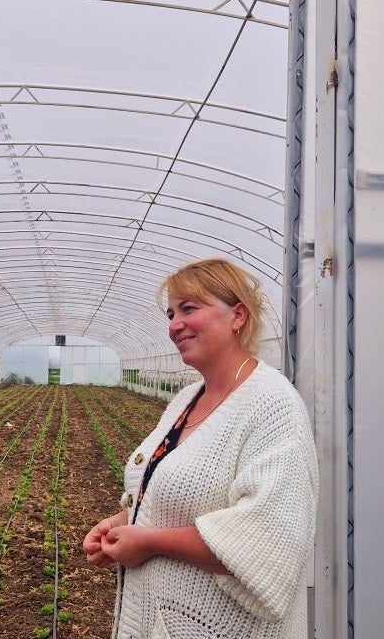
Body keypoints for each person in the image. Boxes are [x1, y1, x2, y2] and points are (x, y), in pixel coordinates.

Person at [83, 258, 318, 639]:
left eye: (189, 309)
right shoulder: (188, 399)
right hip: (159, 617)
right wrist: (122, 524)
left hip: (219, 627)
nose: (174, 324)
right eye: (171, 312)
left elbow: (268, 537)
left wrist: (149, 542)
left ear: (237, 316)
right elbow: (168, 493)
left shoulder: (273, 405)